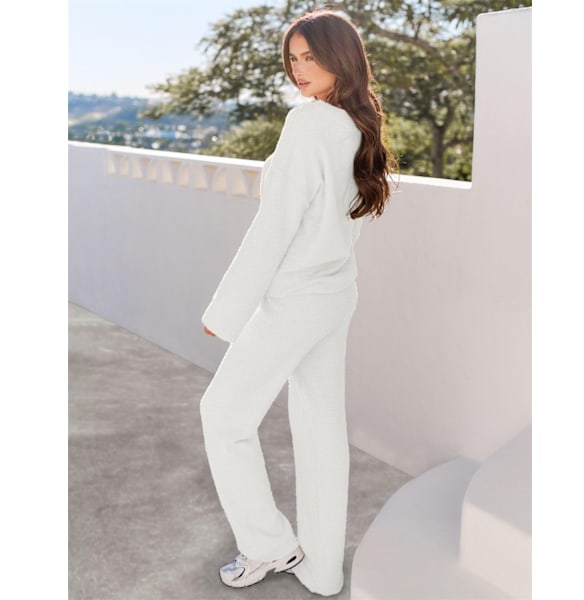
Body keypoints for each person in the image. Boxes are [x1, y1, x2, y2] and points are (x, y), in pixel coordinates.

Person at [199, 8, 397, 597]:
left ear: (341, 59)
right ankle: (322, 570)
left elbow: (275, 226)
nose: (299, 69)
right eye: (293, 58)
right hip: (334, 294)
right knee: (320, 427)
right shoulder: (356, 127)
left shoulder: (309, 124)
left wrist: (226, 312)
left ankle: (268, 545)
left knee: (223, 415)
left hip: (296, 301)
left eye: (311, 57)